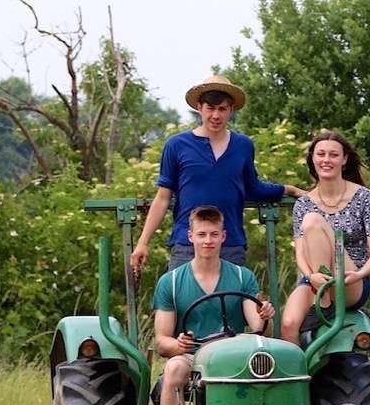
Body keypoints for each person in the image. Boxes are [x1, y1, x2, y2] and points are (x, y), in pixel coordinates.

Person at [131, 74, 305, 274]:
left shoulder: (243, 145)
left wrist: (289, 189)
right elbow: (162, 198)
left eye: (222, 109)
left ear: (231, 109)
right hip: (187, 244)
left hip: (230, 244)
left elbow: (252, 188)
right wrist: (143, 242)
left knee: (231, 304)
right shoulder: (176, 145)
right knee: (182, 303)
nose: (216, 115)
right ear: (199, 107)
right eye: (210, 108)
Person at [153, 206, 275, 405]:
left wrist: (265, 316)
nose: (207, 240)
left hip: (234, 356)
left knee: (269, 367)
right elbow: (161, 341)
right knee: (173, 368)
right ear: (190, 237)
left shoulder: (243, 277)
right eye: (202, 234)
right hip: (192, 356)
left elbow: (259, 329)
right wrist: (178, 344)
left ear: (223, 237)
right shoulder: (171, 282)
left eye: (213, 234)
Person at [281, 130, 370, 344]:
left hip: (349, 279)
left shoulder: (364, 197)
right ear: (313, 159)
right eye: (321, 154)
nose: (326, 160)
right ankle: (300, 376)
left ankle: (325, 304)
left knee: (313, 221)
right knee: (289, 324)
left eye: (333, 155)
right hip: (314, 280)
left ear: (344, 159)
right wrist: (311, 275)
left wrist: (358, 275)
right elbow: (300, 253)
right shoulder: (303, 203)